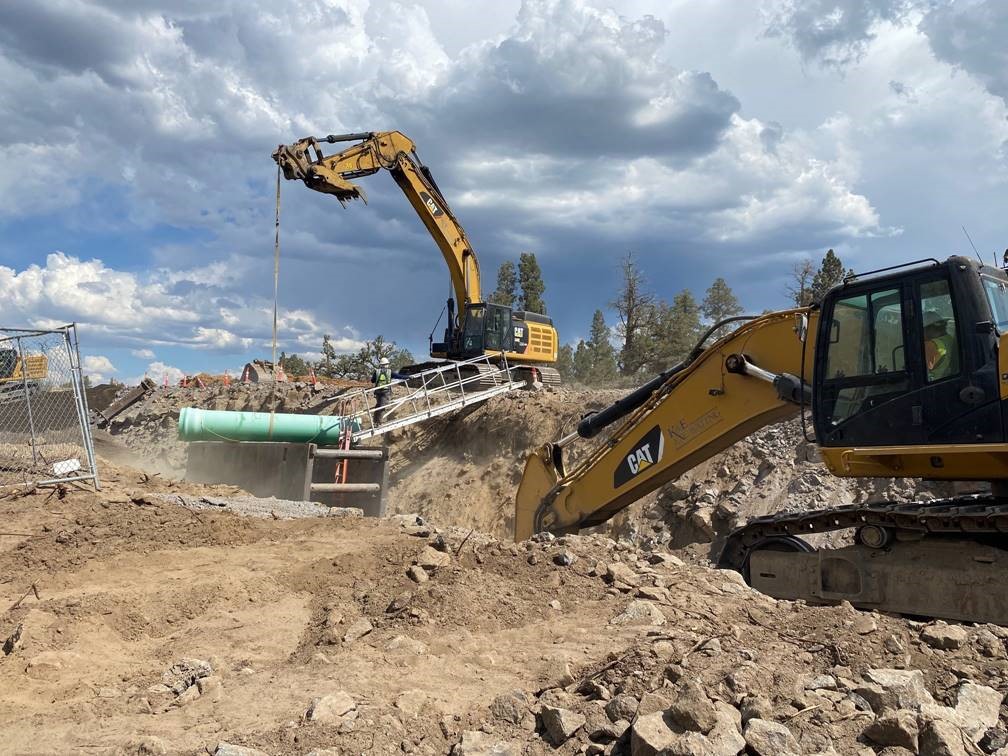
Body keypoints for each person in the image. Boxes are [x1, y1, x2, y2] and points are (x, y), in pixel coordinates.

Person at [923, 310, 958, 382]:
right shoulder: (950, 340)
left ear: (930, 328)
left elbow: (917, 373)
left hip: (931, 389)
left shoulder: (930, 345)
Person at [370, 357, 407, 424]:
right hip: (386, 392)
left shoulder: (377, 372)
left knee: (378, 405)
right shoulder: (389, 372)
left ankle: (375, 421)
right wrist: (408, 377)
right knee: (382, 407)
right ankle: (379, 422)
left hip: (378, 392)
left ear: (380, 365)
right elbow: (399, 376)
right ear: (387, 364)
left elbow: (372, 381)